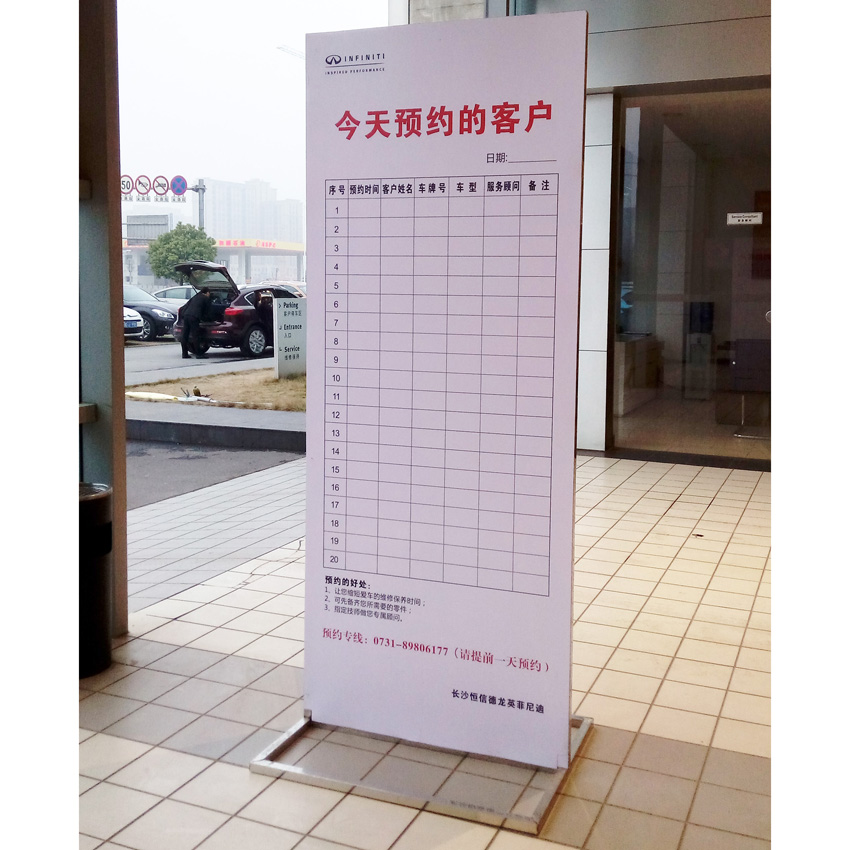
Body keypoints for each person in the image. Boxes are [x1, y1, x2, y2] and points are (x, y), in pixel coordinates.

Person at [180, 286, 213, 358]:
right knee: (195, 335)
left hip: (186, 315)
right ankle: (199, 354)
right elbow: (207, 311)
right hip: (194, 317)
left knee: (185, 335)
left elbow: (186, 306)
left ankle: (184, 354)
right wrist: (210, 320)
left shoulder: (195, 297)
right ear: (207, 293)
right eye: (209, 293)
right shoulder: (206, 299)